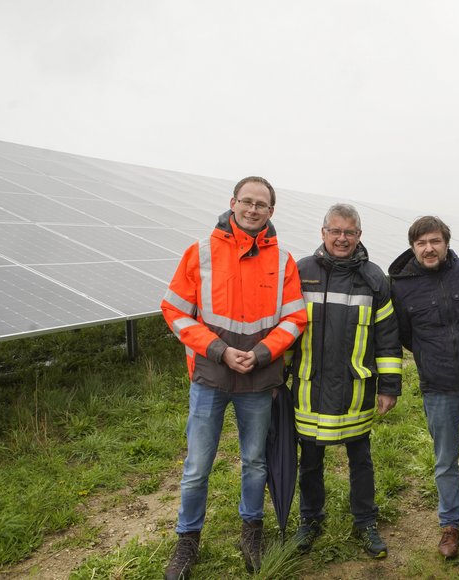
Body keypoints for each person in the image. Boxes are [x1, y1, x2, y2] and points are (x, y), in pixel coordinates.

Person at [160, 176, 307, 578]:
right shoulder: (201, 252)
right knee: (197, 465)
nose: (254, 209)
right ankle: (187, 541)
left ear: (271, 211)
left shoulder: (283, 260)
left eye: (262, 204)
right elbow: (174, 310)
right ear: (233, 203)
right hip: (210, 374)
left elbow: (296, 317)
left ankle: (251, 530)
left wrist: (261, 353)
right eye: (247, 201)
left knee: (255, 462)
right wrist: (220, 350)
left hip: (259, 378)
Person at [289, 203, 402, 559]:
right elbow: (284, 330)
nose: (342, 238)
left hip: (356, 389)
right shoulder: (300, 272)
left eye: (349, 232)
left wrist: (389, 386)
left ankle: (365, 521)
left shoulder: (374, 278)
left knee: (361, 458)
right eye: (335, 231)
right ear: (322, 234)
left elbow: (387, 336)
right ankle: (309, 520)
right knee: (309, 459)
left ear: (359, 236)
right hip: (308, 388)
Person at [388, 216, 459, 559]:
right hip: (438, 388)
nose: (428, 248)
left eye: (435, 241)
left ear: (446, 242)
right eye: (421, 243)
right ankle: (450, 526)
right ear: (412, 247)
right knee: (445, 462)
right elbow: (406, 335)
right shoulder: (402, 286)